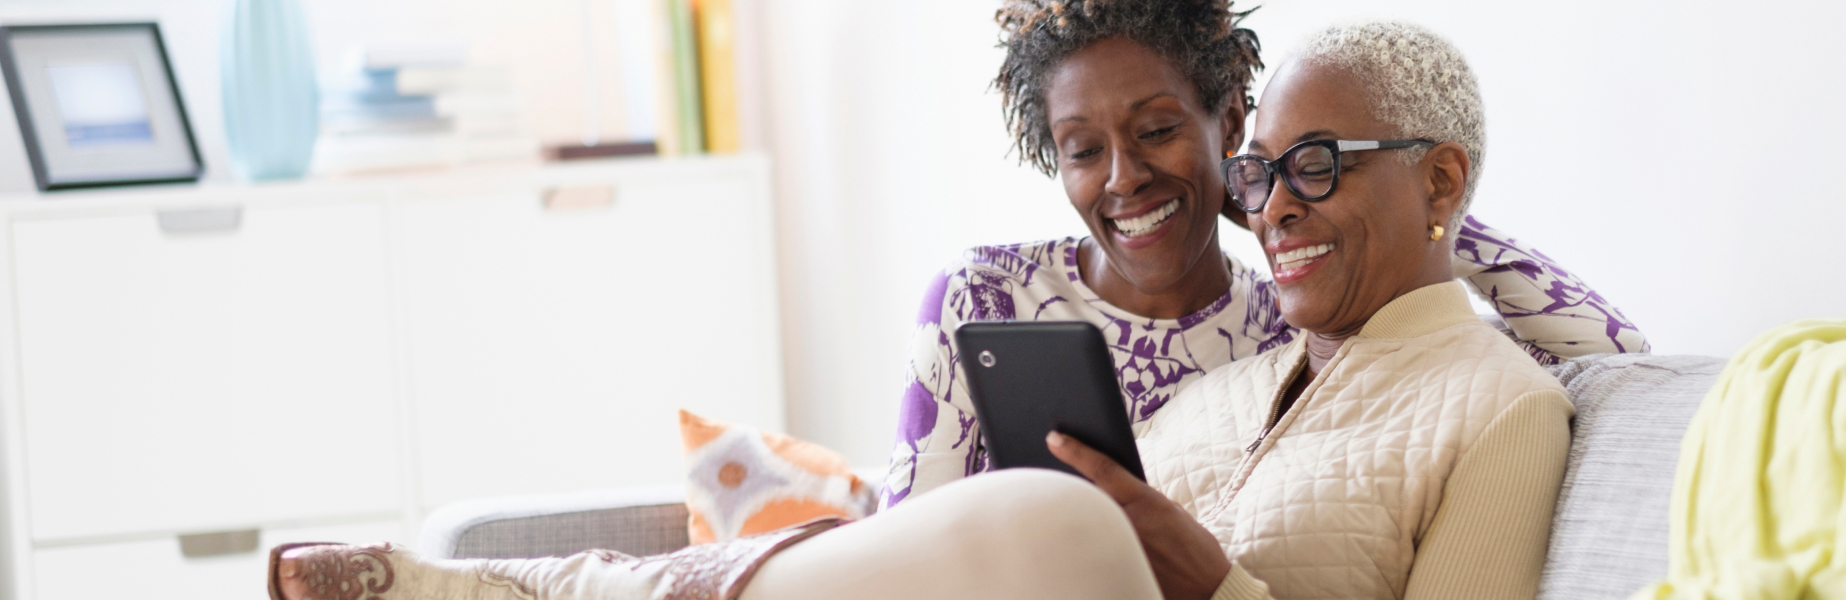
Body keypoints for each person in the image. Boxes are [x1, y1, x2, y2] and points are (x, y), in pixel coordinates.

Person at [266, 10, 1588, 600]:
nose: (1280, 204)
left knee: (1066, 518)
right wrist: (1317, 200)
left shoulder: (1489, 403)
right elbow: (919, 556)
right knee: (1049, 522)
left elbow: (1599, 352)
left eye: (1314, 169)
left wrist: (1315, 209)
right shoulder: (1225, 387)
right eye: (1270, 176)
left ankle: (567, 593)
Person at [881, 0, 1642, 509]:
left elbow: (1618, 355)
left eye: (1155, 132)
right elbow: (904, 538)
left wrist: (1418, 208)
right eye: (1083, 150)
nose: (1123, 179)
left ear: (1230, 121)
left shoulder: (1300, 330)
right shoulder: (981, 298)